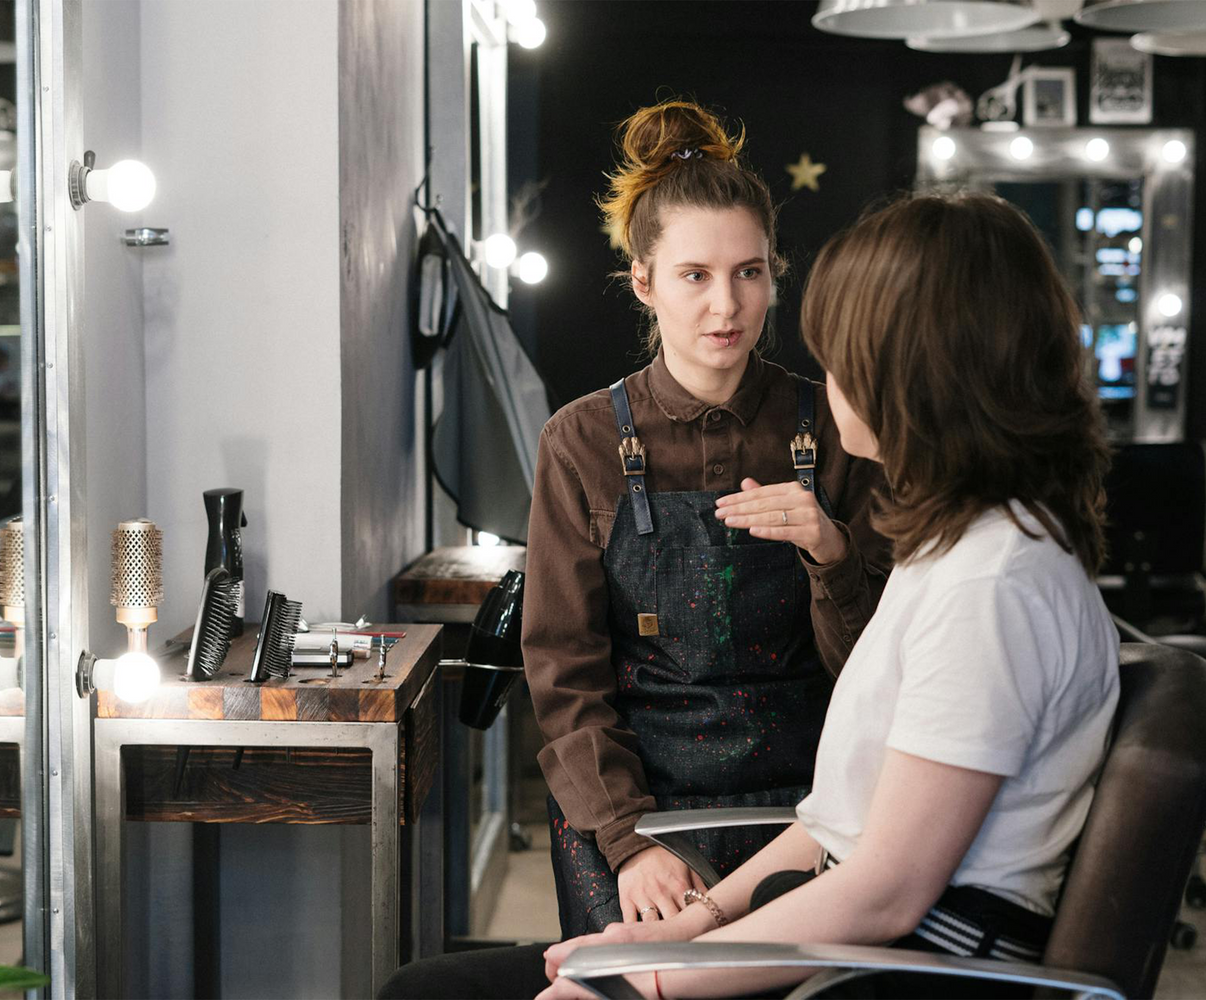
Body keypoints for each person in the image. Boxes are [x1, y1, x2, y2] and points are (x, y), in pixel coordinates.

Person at [379, 192, 1118, 1000]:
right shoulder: (957, 550)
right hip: (827, 911)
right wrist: (692, 926)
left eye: (842, 361)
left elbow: (886, 892)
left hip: (890, 964)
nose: (824, 384)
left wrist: (643, 984)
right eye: (695, 274)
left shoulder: (993, 585)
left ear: (913, 376)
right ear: (645, 283)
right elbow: (839, 822)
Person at [522, 99, 889, 938]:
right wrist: (626, 838)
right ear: (643, 281)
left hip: (812, 801)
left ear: (774, 274)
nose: (727, 305)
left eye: (749, 272)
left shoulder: (838, 427)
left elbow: (880, 670)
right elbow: (563, 671)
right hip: (634, 801)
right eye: (695, 275)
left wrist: (832, 553)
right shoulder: (578, 442)